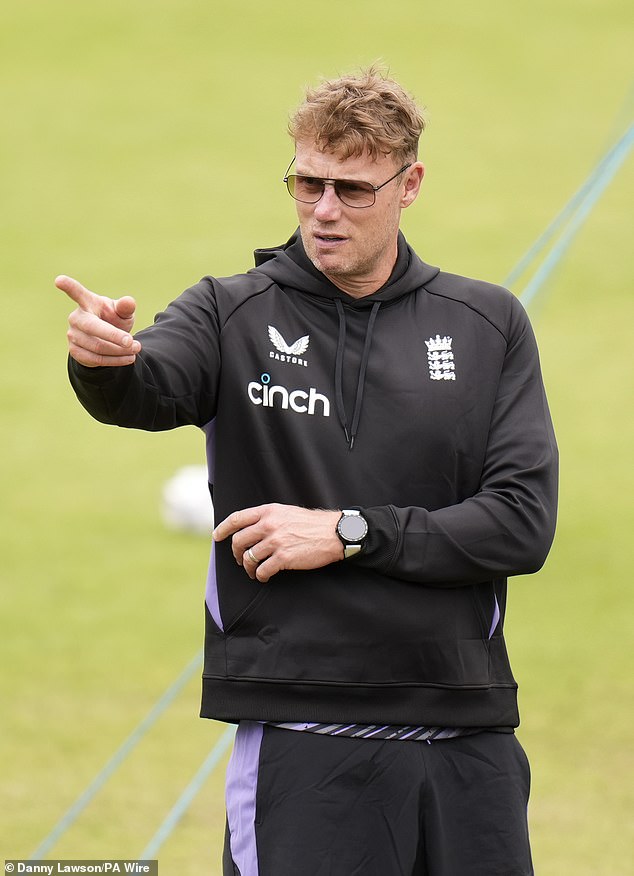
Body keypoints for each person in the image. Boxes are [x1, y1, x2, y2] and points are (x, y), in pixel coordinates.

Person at [57, 67, 558, 876]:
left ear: (410, 185)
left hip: (469, 739)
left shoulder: (486, 324)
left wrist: (347, 533)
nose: (324, 210)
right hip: (303, 741)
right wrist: (105, 363)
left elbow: (521, 524)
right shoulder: (230, 312)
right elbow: (146, 388)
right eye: (307, 183)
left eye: (352, 190)